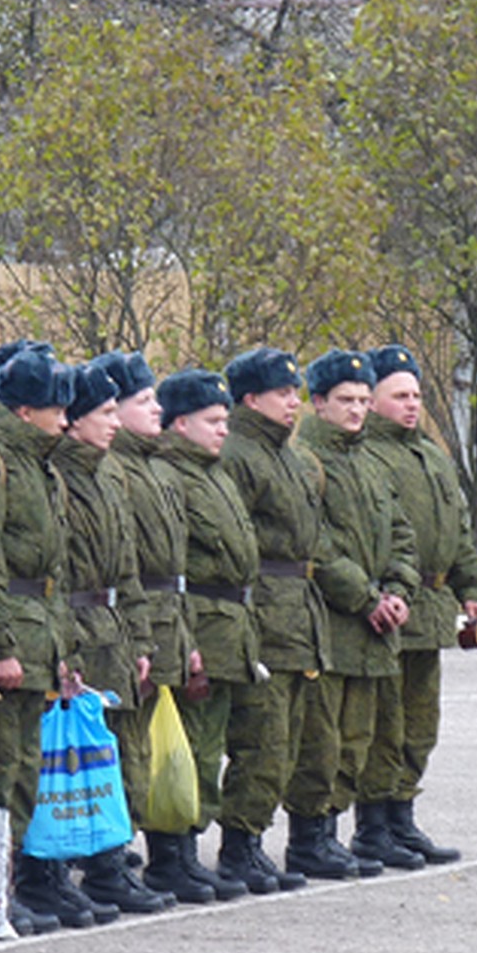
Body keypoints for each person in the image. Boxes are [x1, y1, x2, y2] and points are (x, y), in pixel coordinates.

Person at [0, 344, 98, 929]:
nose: (65, 421)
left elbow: (54, 573)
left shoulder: (41, 465)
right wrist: (0, 646)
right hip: (12, 632)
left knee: (23, 770)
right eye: (53, 410)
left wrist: (63, 650)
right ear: (22, 412)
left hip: (40, 632)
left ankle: (5, 887)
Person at [92, 352, 213, 905]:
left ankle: (171, 853)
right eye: (143, 401)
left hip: (162, 621)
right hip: (127, 625)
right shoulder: (113, 467)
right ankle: (113, 863)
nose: (156, 409)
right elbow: (127, 564)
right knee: (125, 754)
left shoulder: (153, 466)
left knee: (156, 752)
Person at [294, 349, 421, 878]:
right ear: (318, 402)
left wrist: (397, 588)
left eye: (365, 400)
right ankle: (310, 837)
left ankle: (339, 832)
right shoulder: (307, 460)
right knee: (321, 740)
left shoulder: (370, 462)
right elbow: (314, 545)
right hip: (333, 620)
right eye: (345, 400)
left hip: (375, 626)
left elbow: (401, 533)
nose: (357, 410)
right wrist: (365, 597)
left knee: (359, 739)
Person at [360, 344, 477, 864]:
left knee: (419, 723)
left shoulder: (431, 455)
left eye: (416, 394)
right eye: (400, 395)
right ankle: (373, 827)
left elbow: (457, 530)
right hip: (391, 609)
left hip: (431, 611)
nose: (412, 404)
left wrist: (472, 589)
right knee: (382, 726)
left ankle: (402, 817)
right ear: (372, 401)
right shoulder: (367, 454)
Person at [217, 346, 332, 893]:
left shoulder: (286, 455)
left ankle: (257, 840)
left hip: (295, 612)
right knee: (260, 739)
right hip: (264, 610)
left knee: (290, 740)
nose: (294, 402)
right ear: (250, 398)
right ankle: (239, 844)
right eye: (282, 393)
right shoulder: (239, 454)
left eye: (295, 392)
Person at [54, 361, 164, 914]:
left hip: (113, 632)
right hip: (79, 635)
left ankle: (109, 864)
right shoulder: (62, 477)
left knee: (116, 759)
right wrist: (66, 653)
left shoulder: (106, 474)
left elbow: (127, 571)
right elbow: (58, 577)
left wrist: (140, 641)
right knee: (73, 765)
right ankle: (68, 869)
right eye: (102, 412)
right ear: (72, 420)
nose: (113, 422)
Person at [151, 369, 255, 901]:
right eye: (212, 421)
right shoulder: (174, 476)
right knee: (184, 749)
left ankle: (189, 848)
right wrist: (186, 639)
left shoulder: (214, 473)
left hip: (226, 628)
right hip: (197, 627)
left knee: (208, 748)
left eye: (225, 421)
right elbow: (176, 572)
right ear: (180, 423)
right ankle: (169, 854)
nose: (222, 431)